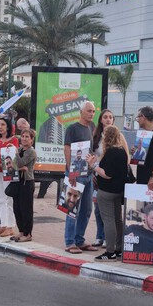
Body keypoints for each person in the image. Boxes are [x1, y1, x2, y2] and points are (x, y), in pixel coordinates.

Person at [87, 125, 128, 262]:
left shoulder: (110, 152)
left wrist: (93, 166)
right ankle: (119, 249)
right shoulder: (122, 151)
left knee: (108, 220)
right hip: (119, 190)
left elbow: (107, 174)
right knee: (117, 220)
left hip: (107, 191)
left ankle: (110, 251)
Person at [64, 101, 98, 254]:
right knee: (72, 209)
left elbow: (92, 150)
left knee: (86, 209)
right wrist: (70, 172)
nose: (92, 113)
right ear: (81, 112)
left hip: (88, 174)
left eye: (93, 111)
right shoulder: (72, 129)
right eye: (89, 111)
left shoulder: (92, 127)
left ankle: (80, 239)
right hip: (75, 175)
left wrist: (93, 167)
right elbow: (67, 149)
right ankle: (70, 242)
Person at [0, 116, 19, 237]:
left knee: (8, 198)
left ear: (8, 126)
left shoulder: (13, 140)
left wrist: (13, 149)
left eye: (2, 124)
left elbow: (16, 154)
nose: (0, 127)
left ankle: (10, 226)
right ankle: (3, 224)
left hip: (8, 171)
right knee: (0, 198)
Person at [12, 128, 37, 242]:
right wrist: (19, 167)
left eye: (27, 137)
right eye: (23, 136)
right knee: (17, 208)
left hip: (27, 182)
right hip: (17, 181)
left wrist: (16, 156)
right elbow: (12, 165)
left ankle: (28, 234)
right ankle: (21, 231)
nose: (24, 139)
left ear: (32, 140)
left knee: (26, 209)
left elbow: (20, 162)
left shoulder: (31, 151)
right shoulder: (20, 149)